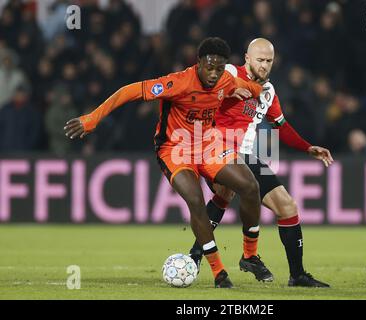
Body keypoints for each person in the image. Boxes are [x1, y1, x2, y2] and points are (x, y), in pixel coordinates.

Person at [64, 37, 270, 288]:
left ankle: (249, 255)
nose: (214, 74)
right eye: (209, 67)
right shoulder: (178, 82)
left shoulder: (225, 80)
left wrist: (255, 91)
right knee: (195, 200)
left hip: (207, 146)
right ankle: (219, 273)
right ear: (198, 63)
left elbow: (249, 87)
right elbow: (129, 91)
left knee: (250, 186)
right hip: (175, 149)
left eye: (219, 68)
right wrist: (92, 119)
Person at [188, 38, 333, 287]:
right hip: (213, 150)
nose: (264, 66)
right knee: (228, 190)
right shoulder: (230, 73)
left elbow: (281, 127)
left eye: (269, 61)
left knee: (286, 207)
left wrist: (307, 147)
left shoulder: (269, 91)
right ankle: (247, 255)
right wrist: (228, 91)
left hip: (243, 155)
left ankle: (296, 275)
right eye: (260, 60)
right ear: (247, 58)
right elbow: (203, 93)